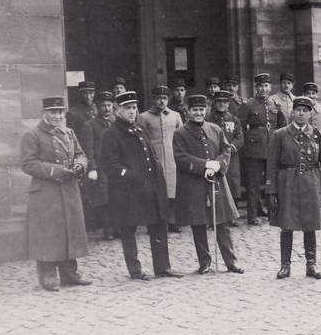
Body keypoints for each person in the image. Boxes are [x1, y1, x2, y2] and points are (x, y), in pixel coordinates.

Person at [101, 91, 183, 280]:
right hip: (128, 191)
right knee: (128, 229)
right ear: (117, 110)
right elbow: (110, 165)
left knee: (159, 225)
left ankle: (163, 267)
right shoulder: (112, 134)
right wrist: (132, 177)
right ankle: (135, 270)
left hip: (151, 189)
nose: (131, 112)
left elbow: (151, 157)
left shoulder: (138, 129)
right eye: (127, 108)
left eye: (134, 108)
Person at [20, 96, 91, 291]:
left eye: (60, 112)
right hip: (46, 192)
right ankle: (48, 277)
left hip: (68, 190)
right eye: (53, 112)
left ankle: (70, 274)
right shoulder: (33, 135)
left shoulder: (69, 132)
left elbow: (81, 154)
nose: (58, 116)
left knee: (70, 231)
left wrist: (80, 165)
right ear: (44, 114)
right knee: (49, 235)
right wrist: (57, 171)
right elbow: (28, 164)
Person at [172, 95, 245, 274]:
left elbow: (226, 150)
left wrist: (218, 164)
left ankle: (231, 262)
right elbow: (180, 158)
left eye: (201, 109)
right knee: (198, 223)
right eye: (195, 110)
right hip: (194, 184)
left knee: (222, 222)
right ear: (188, 111)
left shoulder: (215, 129)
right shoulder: (180, 134)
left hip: (216, 182)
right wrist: (204, 164)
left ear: (206, 110)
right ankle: (205, 262)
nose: (198, 113)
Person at [266, 96, 321, 280]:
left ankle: (311, 265)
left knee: (310, 225)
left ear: (310, 113)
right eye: (298, 110)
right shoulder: (280, 135)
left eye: (305, 110)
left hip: (311, 184)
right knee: (286, 225)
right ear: (292, 112)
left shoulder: (318, 135)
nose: (301, 114)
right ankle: (285, 265)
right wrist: (272, 191)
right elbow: (272, 165)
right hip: (287, 183)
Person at [238, 73, 286, 224]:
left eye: (266, 86)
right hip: (254, 150)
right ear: (256, 88)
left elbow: (282, 126)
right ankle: (252, 216)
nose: (263, 89)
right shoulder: (248, 104)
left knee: (272, 183)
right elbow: (240, 126)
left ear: (270, 87)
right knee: (253, 184)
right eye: (260, 86)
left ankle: (273, 213)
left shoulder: (274, 105)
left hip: (272, 148)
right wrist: (248, 142)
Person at [137, 85, 184, 232]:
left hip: (171, 158)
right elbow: (140, 138)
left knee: (172, 190)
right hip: (153, 157)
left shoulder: (175, 116)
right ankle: (154, 222)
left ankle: (172, 221)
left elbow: (181, 136)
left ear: (168, 99)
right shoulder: (144, 117)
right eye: (158, 98)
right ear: (153, 99)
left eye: (164, 98)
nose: (161, 101)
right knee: (154, 191)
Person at [79, 90, 117, 240]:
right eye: (103, 106)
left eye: (109, 105)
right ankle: (108, 230)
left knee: (117, 196)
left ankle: (118, 227)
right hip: (101, 168)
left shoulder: (116, 122)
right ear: (98, 107)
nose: (107, 109)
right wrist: (92, 168)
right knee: (104, 199)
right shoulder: (90, 125)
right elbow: (87, 150)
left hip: (116, 166)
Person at [207, 90, 244, 227]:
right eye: (219, 102)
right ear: (214, 103)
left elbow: (239, 137)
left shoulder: (234, 119)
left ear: (228, 104)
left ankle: (232, 216)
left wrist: (231, 148)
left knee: (232, 184)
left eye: (224, 102)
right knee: (214, 184)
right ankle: (214, 217)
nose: (222, 104)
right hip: (215, 156)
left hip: (231, 157)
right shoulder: (209, 120)